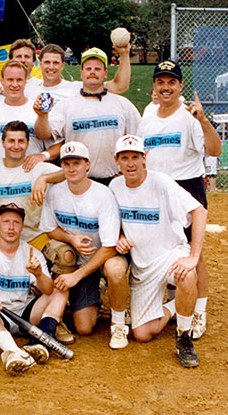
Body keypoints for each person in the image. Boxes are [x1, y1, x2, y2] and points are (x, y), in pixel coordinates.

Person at [137, 60, 222, 340]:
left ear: (180, 86)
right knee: (161, 249)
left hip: (186, 188)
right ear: (154, 86)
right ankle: (176, 301)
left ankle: (199, 310)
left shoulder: (190, 116)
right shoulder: (147, 115)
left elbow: (215, 150)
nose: (166, 87)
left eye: (172, 82)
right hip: (155, 191)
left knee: (192, 257)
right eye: (161, 82)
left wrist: (203, 120)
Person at [109, 135, 207, 368]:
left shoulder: (161, 182)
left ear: (144, 158)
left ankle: (184, 337)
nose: (130, 163)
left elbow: (199, 211)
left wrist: (193, 256)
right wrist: (120, 237)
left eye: (135, 157)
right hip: (143, 266)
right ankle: (176, 305)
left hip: (170, 253)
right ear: (117, 161)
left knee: (186, 274)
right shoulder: (115, 186)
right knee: (142, 333)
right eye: (125, 158)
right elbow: (114, 221)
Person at [39, 141, 128, 348]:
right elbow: (49, 229)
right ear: (61, 166)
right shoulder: (55, 192)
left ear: (87, 165)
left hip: (104, 257)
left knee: (114, 269)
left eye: (77, 163)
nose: (71, 168)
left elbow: (109, 246)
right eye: (67, 163)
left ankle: (118, 320)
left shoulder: (102, 194)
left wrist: (76, 277)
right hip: (78, 261)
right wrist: (72, 239)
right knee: (84, 327)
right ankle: (90, 293)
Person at [0, 203, 70, 373]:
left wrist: (39, 274)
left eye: (16, 222)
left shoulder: (33, 253)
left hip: (25, 315)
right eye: (6, 222)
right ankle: (12, 351)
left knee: (61, 289)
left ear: (22, 227)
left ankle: (40, 342)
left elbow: (48, 291)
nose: (11, 227)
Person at [34, 47, 141, 185]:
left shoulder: (122, 105)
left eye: (97, 69)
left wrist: (125, 172)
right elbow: (43, 134)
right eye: (88, 68)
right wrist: (42, 116)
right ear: (81, 73)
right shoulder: (66, 106)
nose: (92, 72)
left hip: (115, 180)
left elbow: (138, 140)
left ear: (105, 73)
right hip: (77, 181)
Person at [0, 121, 59, 252]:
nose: (16, 146)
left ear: (28, 144)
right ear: (3, 142)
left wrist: (45, 178)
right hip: (1, 241)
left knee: (64, 256)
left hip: (37, 238)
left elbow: (69, 173)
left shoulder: (38, 168)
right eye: (11, 141)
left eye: (21, 141)